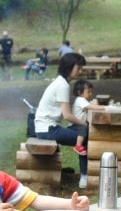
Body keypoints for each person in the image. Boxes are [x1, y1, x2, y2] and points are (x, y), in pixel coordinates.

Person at [34, 52, 89, 188]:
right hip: (48, 129)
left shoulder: (61, 82)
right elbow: (67, 116)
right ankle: (84, 177)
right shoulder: (63, 85)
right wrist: (86, 123)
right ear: (69, 67)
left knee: (82, 132)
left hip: (46, 127)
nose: (80, 71)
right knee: (85, 137)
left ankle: (68, 172)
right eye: (79, 68)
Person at [71, 79, 107, 156]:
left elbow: (90, 104)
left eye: (91, 92)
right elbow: (90, 106)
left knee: (86, 127)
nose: (91, 94)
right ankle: (78, 145)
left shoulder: (83, 100)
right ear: (79, 92)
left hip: (79, 123)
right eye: (88, 92)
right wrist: (104, 107)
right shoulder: (80, 100)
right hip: (75, 125)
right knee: (83, 128)